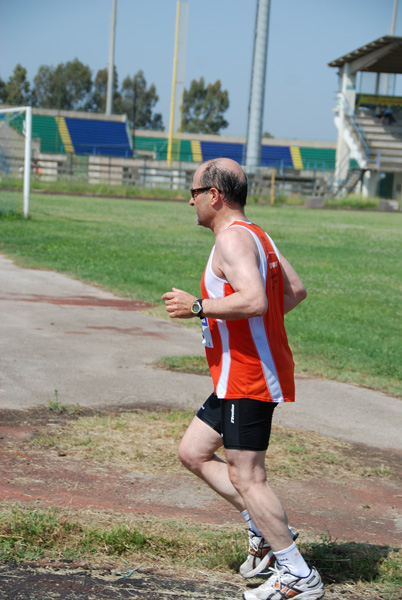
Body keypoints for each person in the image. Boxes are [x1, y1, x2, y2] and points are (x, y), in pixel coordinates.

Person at [162, 158, 324, 600]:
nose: (190, 201)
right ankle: (263, 531)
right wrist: (255, 330)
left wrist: (198, 307)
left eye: (193, 193)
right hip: (237, 373)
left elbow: (254, 300)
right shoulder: (255, 234)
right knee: (193, 452)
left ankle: (298, 575)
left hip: (248, 377)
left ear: (214, 195)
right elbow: (294, 291)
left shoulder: (233, 240)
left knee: (247, 476)